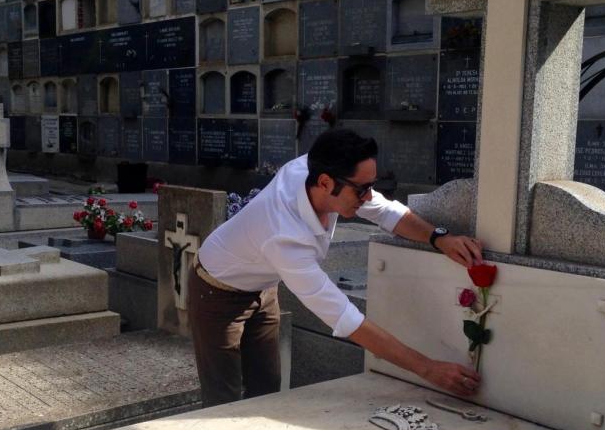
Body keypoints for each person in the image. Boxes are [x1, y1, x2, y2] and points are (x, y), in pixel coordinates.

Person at [190, 128, 484, 408]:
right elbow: (346, 318)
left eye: (372, 185)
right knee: (222, 399)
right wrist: (428, 369)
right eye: (363, 189)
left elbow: (383, 210)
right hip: (217, 290)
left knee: (266, 387)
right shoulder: (284, 235)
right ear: (325, 183)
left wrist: (439, 238)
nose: (369, 196)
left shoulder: (321, 169)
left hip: (263, 283)